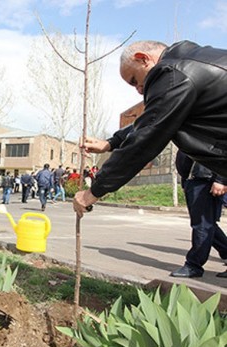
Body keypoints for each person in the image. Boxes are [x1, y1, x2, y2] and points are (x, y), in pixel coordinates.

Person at [74, 40, 227, 218]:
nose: (139, 90)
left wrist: (92, 192)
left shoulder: (172, 73)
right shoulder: (190, 61)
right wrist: (111, 143)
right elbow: (156, 119)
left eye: (135, 81)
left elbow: (146, 138)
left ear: (142, 59)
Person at [85, 128, 227, 279]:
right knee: (205, 223)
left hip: (207, 177)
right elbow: (149, 122)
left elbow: (223, 144)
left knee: (202, 224)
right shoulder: (190, 114)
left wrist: (221, 179)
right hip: (194, 177)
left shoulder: (211, 113)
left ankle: (194, 265)